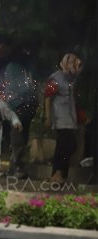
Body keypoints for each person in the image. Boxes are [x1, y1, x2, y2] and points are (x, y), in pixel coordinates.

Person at [44, 53, 86, 183]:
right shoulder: (55, 78)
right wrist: (48, 117)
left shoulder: (71, 78)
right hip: (60, 118)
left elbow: (80, 68)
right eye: (70, 62)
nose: (73, 64)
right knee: (69, 145)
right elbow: (48, 98)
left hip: (70, 118)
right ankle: (59, 172)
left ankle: (58, 175)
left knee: (62, 146)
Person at [4, 42, 39, 179]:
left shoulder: (13, 67)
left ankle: (16, 168)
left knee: (17, 138)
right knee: (21, 137)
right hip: (26, 106)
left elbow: (15, 88)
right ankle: (16, 168)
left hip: (18, 107)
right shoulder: (27, 67)